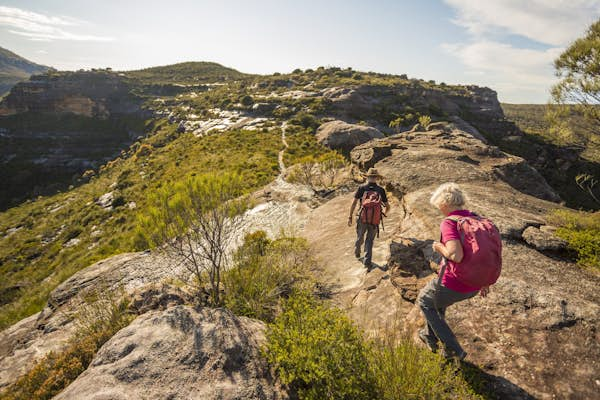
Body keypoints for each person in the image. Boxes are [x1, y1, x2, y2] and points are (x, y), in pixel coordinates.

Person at [416, 182, 491, 361]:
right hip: (474, 284)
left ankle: (453, 350)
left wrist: (438, 247)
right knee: (437, 302)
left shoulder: (449, 223)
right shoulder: (478, 220)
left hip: (455, 283)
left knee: (425, 301)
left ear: (444, 203)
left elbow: (455, 255)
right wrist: (484, 281)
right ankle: (429, 335)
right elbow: (487, 253)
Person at [348, 168, 390, 269]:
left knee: (360, 236)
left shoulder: (362, 188)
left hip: (362, 217)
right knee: (369, 240)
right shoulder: (381, 190)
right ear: (376, 178)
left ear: (367, 177)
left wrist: (350, 216)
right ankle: (367, 262)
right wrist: (382, 214)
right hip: (374, 220)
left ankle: (357, 252)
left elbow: (354, 203)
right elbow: (387, 206)